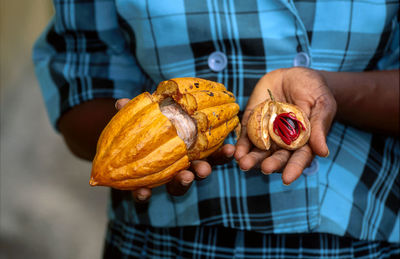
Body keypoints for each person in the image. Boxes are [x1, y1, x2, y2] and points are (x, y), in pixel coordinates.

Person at [33, 0, 399, 258]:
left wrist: (329, 92)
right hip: (165, 243)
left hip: (360, 237)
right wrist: (140, 139)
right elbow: (81, 81)